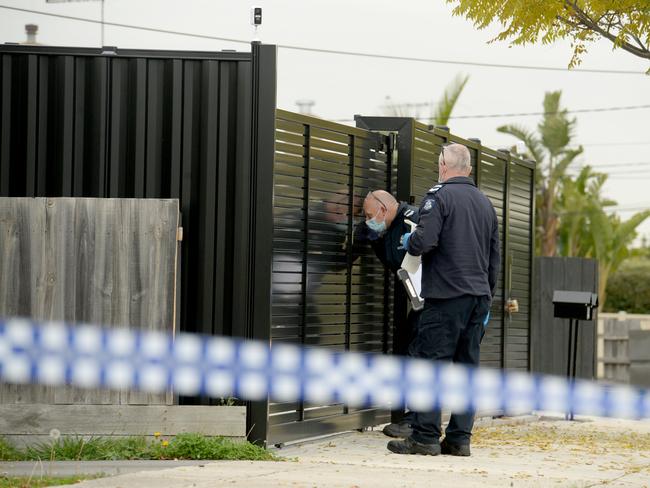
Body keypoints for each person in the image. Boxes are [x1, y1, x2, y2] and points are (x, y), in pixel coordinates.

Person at [386, 143, 500, 457]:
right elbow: (494, 260)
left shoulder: (439, 196)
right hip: (478, 298)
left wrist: (411, 238)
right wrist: (486, 299)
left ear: (442, 166)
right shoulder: (485, 203)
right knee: (466, 370)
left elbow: (424, 241)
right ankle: (459, 439)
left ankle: (424, 438)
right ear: (470, 169)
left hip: (446, 296)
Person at [354, 190, 421, 438]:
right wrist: (369, 236)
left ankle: (415, 422)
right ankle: (414, 419)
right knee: (407, 351)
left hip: (432, 299)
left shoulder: (413, 220)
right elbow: (390, 257)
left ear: (383, 209)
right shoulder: (387, 227)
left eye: (370, 215)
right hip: (418, 301)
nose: (368, 219)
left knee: (416, 355)